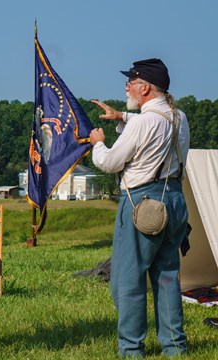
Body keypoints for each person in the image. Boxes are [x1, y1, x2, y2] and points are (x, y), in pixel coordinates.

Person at [89, 58, 190, 357]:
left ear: (145, 87)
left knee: (128, 279)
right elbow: (154, 124)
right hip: (174, 199)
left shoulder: (144, 122)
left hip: (141, 204)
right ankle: (174, 346)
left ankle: (132, 349)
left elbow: (109, 163)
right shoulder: (179, 117)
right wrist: (121, 115)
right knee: (168, 275)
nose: (126, 86)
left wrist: (98, 142)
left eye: (130, 82)